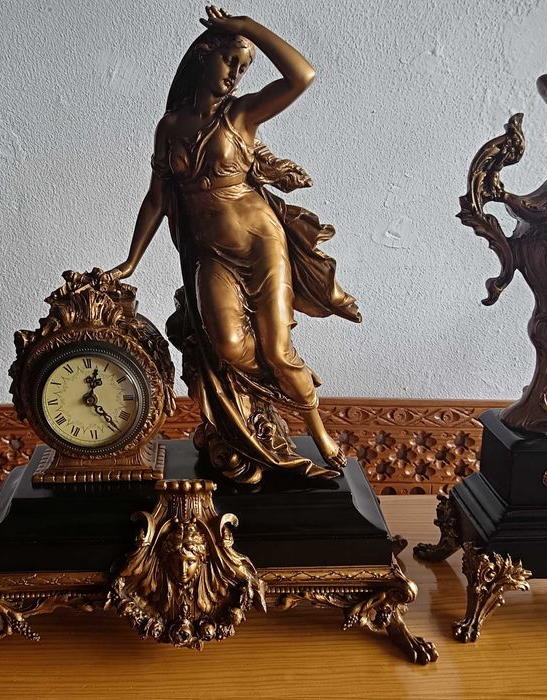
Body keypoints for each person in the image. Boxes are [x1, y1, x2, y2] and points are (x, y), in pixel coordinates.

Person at [107, 6, 361, 483]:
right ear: (205, 57)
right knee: (224, 345)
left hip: (261, 246)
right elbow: (157, 198)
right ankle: (261, 400)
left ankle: (317, 429)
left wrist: (246, 29)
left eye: (243, 67)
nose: (235, 74)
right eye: (229, 61)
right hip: (210, 254)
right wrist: (131, 261)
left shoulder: (241, 116)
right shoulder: (170, 126)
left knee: (279, 350)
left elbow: (302, 76)